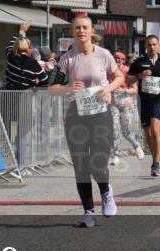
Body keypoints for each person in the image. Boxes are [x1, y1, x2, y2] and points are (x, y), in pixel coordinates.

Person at [51, 14, 123, 228]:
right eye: (77, 28)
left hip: (100, 113)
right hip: (76, 115)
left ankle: (106, 191)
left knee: (98, 163)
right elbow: (51, 88)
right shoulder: (67, 59)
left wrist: (108, 89)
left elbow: (119, 76)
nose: (81, 31)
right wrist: (68, 87)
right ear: (72, 32)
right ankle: (88, 211)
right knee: (81, 165)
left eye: (85, 27)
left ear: (92, 31)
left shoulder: (104, 54)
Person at [127, 35, 160, 177]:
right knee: (148, 134)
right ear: (145, 46)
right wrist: (139, 76)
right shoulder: (139, 62)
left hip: (159, 99)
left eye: (154, 44)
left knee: (155, 129)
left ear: (158, 45)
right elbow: (128, 79)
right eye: (149, 44)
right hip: (144, 100)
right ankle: (157, 157)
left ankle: (155, 163)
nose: (152, 47)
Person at [110, 50, 145, 164]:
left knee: (126, 131)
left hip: (126, 105)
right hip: (113, 104)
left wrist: (124, 91)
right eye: (116, 58)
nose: (118, 60)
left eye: (120, 58)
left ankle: (136, 146)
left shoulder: (128, 71)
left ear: (124, 60)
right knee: (114, 129)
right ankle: (117, 154)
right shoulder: (109, 71)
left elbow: (135, 89)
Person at [5, 22, 48, 90]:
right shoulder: (34, 63)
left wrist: (21, 32)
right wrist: (36, 83)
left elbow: (9, 46)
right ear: (28, 49)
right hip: (27, 96)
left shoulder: (11, 57)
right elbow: (45, 81)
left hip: (9, 94)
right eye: (31, 47)